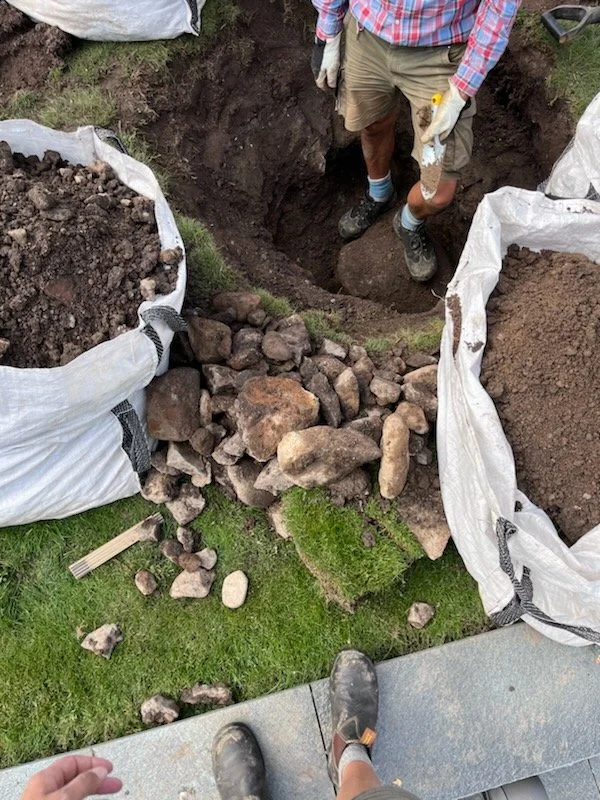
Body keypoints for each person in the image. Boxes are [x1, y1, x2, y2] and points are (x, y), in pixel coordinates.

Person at [310, 0, 521, 283]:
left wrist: (461, 89)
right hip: (367, 35)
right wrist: (328, 29)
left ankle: (409, 221)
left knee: (438, 191)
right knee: (373, 125)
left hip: (438, 56)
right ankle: (379, 193)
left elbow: (499, 9)